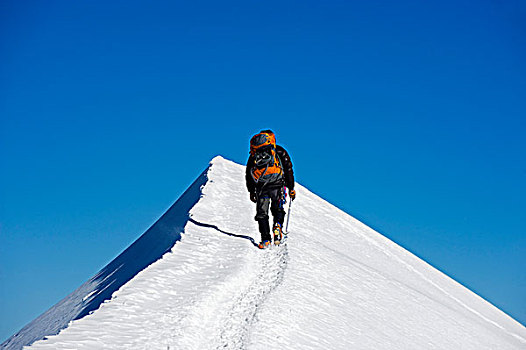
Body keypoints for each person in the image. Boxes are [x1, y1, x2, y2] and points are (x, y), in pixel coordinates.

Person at [245, 130, 295, 249]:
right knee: (278, 208)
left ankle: (265, 239)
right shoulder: (279, 151)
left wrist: (251, 191)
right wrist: (291, 187)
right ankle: (277, 226)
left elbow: (248, 174)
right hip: (277, 185)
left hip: (261, 188)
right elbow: (288, 169)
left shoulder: (254, 154)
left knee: (262, 214)